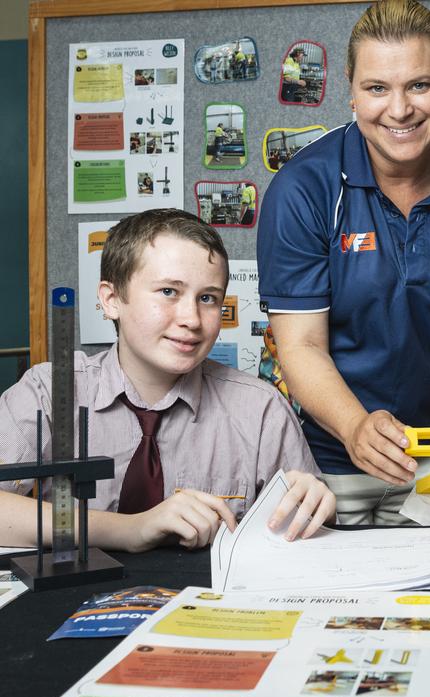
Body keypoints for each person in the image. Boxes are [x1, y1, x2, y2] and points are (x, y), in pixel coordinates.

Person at [257, 0, 430, 524]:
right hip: (327, 461)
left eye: (419, 85)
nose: (400, 110)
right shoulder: (302, 191)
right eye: (377, 89)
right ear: (351, 89)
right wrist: (353, 427)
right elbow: (299, 344)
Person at [0, 209, 336, 553]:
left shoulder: (261, 411)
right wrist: (129, 529)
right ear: (111, 299)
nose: (191, 319)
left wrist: (312, 505)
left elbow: (308, 534)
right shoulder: (50, 391)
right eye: (168, 292)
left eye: (208, 298)